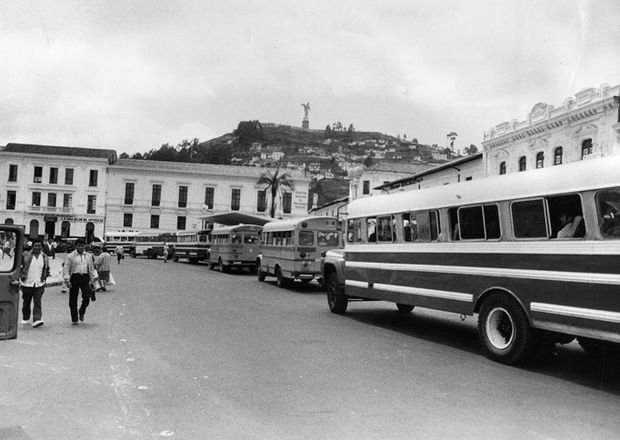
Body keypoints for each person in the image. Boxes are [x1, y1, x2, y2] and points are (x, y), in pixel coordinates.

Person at [11, 239, 50, 328]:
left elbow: (46, 268)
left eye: (39, 246)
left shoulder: (44, 256)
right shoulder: (26, 255)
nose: (37, 247)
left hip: (39, 283)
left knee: (37, 301)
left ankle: (37, 319)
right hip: (27, 283)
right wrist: (18, 276)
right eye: (35, 246)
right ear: (32, 247)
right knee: (26, 302)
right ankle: (26, 316)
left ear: (42, 247)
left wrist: (45, 277)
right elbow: (17, 266)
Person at [63, 238, 98, 325]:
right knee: (73, 299)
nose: (80, 247)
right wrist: (67, 280)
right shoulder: (71, 256)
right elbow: (66, 268)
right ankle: (74, 318)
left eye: (82, 246)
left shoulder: (89, 256)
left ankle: (82, 311)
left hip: (85, 277)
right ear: (76, 246)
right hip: (74, 277)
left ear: (84, 246)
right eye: (79, 246)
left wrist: (93, 279)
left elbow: (91, 268)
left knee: (87, 297)